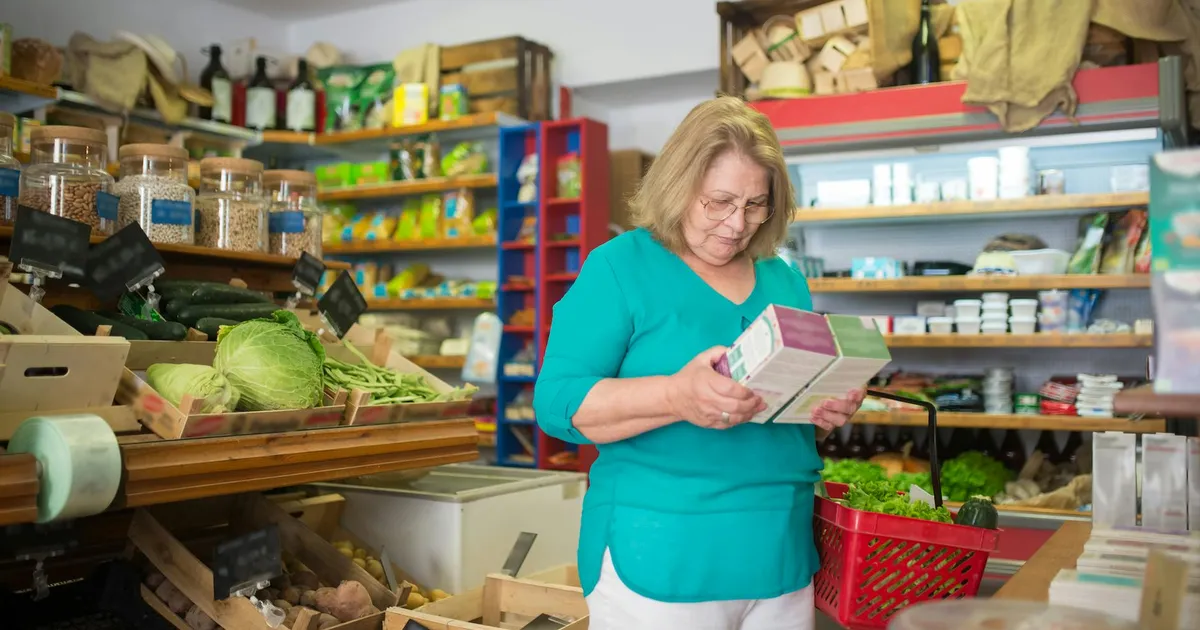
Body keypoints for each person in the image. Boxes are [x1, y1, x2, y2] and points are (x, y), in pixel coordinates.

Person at [532, 96, 866, 630]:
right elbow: (555, 405)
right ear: (678, 186)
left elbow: (782, 419)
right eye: (719, 202)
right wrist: (674, 396)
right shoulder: (620, 267)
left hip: (781, 550)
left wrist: (821, 403)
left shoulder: (784, 280)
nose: (737, 224)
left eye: (756, 205)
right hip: (662, 552)